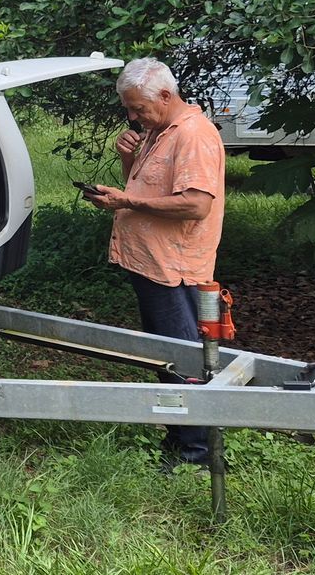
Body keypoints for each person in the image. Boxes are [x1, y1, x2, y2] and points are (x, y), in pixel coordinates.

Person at [81, 57, 226, 468]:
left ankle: (196, 452)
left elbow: (196, 205)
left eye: (137, 108)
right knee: (165, 355)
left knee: (180, 359)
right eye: (128, 108)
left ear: (165, 95)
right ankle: (182, 439)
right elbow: (147, 187)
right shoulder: (159, 131)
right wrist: (128, 160)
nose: (132, 116)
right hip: (152, 263)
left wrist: (124, 201)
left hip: (173, 268)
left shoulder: (194, 135)